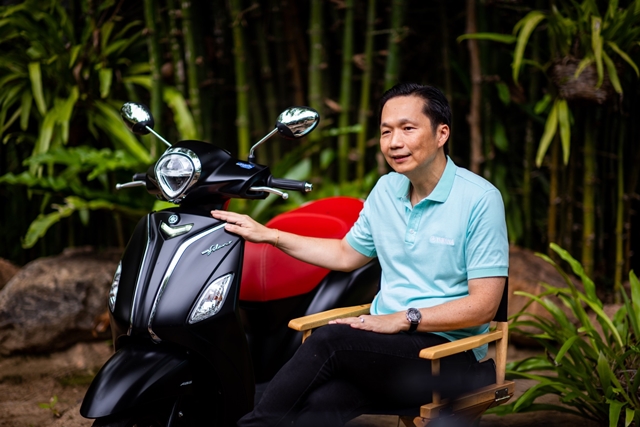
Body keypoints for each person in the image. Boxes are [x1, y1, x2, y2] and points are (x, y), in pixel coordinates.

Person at [211, 82, 509, 427]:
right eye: (386, 131)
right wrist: (270, 236)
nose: (394, 142)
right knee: (320, 406)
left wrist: (403, 318)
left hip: (446, 357)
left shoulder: (479, 199)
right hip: (382, 351)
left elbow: (483, 306)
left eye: (407, 129)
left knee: (330, 340)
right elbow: (345, 254)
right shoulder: (387, 189)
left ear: (442, 133)